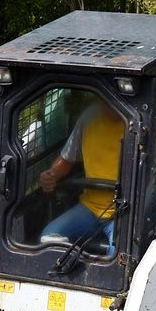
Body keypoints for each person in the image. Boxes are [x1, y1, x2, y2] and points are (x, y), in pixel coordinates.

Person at [35, 97, 125, 257]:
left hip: (124, 211)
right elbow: (67, 158)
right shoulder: (89, 118)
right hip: (90, 208)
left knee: (118, 254)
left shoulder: (143, 123)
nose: (111, 105)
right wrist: (51, 174)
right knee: (48, 238)